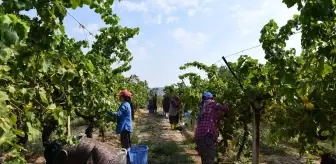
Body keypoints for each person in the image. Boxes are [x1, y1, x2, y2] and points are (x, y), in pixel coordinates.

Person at [194, 92, 229, 164]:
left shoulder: (202, 107)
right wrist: (227, 105)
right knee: (210, 158)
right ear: (211, 98)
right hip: (207, 134)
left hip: (199, 135)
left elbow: (216, 117)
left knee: (205, 159)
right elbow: (224, 109)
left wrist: (221, 116)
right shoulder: (212, 103)